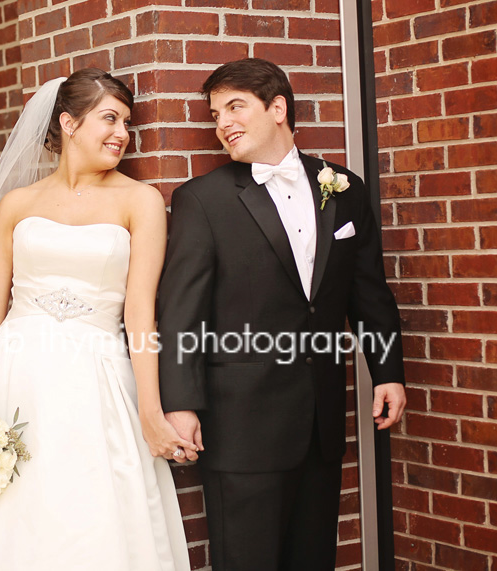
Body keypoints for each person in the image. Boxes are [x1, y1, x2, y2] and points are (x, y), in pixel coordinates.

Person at [0, 69, 191, 570]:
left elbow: (141, 312)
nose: (122, 133)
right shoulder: (18, 204)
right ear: (68, 123)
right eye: (110, 118)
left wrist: (150, 412)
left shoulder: (139, 201)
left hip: (96, 377)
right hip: (13, 373)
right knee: (5, 511)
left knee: (88, 511)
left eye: (127, 122)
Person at [157, 58, 406, 570]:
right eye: (214, 114)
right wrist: (181, 404)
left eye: (234, 107)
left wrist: (387, 372)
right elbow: (181, 314)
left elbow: (367, 291)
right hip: (240, 426)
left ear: (278, 108)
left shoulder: (345, 188)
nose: (222, 123)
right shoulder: (202, 201)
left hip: (319, 424)